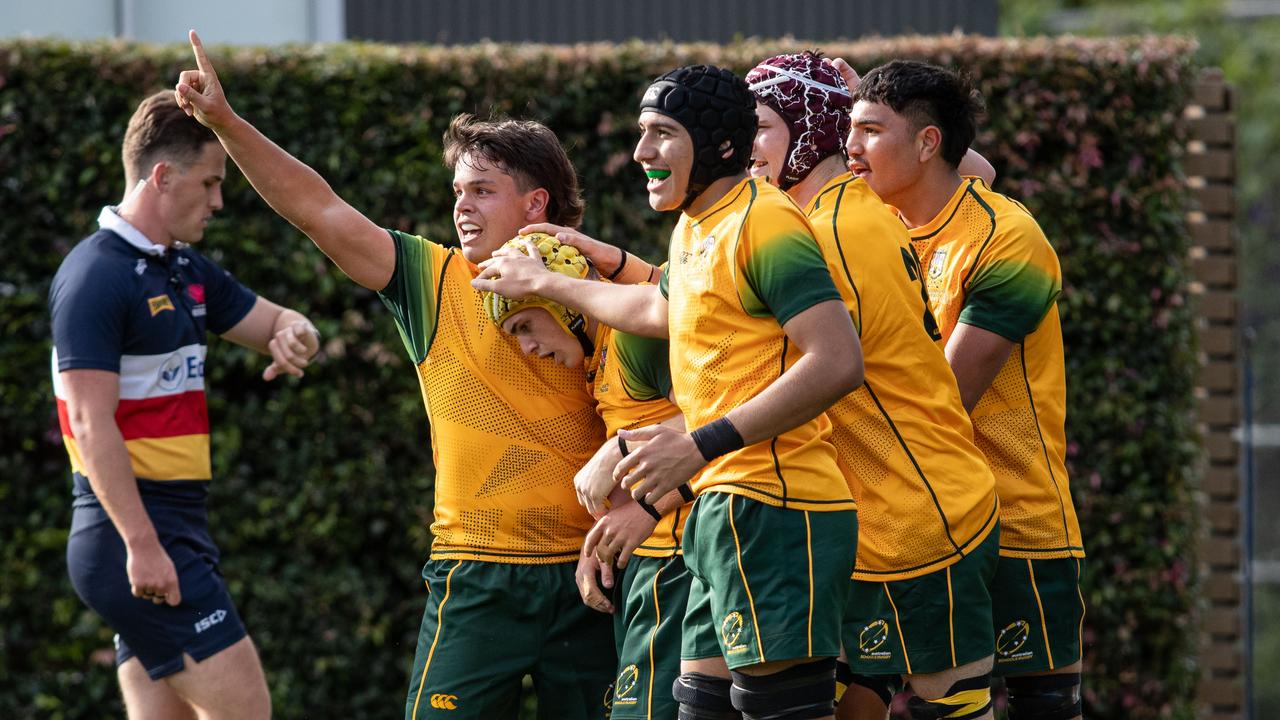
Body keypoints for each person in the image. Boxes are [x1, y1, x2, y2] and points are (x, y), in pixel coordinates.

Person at [174, 31, 615, 719]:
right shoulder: (432, 280)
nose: (461, 206)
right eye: (457, 190)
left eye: (483, 190)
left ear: (537, 205)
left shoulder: (611, 293)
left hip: (592, 575)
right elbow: (318, 209)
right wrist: (225, 123)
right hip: (474, 581)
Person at [474, 64, 863, 720]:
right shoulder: (694, 228)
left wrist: (699, 444)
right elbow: (657, 310)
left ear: (721, 148)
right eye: (640, 133)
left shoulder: (764, 224)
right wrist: (549, 282)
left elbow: (837, 362)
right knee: (700, 710)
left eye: (662, 134)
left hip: (780, 507)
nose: (641, 153)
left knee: (782, 709)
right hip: (723, 507)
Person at [745, 51, 1003, 720]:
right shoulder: (860, 199)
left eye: (763, 125)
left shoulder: (829, 230)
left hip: (918, 514)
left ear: (806, 131)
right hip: (874, 516)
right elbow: (970, 168)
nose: (744, 146)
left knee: (944, 708)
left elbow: (766, 367)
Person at [50, 89, 321, 719]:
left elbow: (276, 319)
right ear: (163, 176)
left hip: (174, 529)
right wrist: (143, 546)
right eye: (211, 182)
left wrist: (294, 332)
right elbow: (90, 424)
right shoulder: (96, 276)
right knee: (246, 710)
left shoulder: (182, 268)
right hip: (134, 532)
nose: (220, 201)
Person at [848, 60, 1086, 720]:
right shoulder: (874, 227)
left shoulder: (1008, 238)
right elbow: (958, 167)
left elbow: (945, 400)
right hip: (903, 522)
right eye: (848, 129)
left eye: (868, 131)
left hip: (1016, 523)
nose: (849, 148)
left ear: (926, 145)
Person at [481, 233, 694, 720]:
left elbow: (737, 418)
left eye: (527, 325)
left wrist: (641, 498)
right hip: (651, 565)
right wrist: (604, 532)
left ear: (566, 304)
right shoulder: (600, 359)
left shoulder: (638, 340)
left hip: (684, 562)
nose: (529, 347)